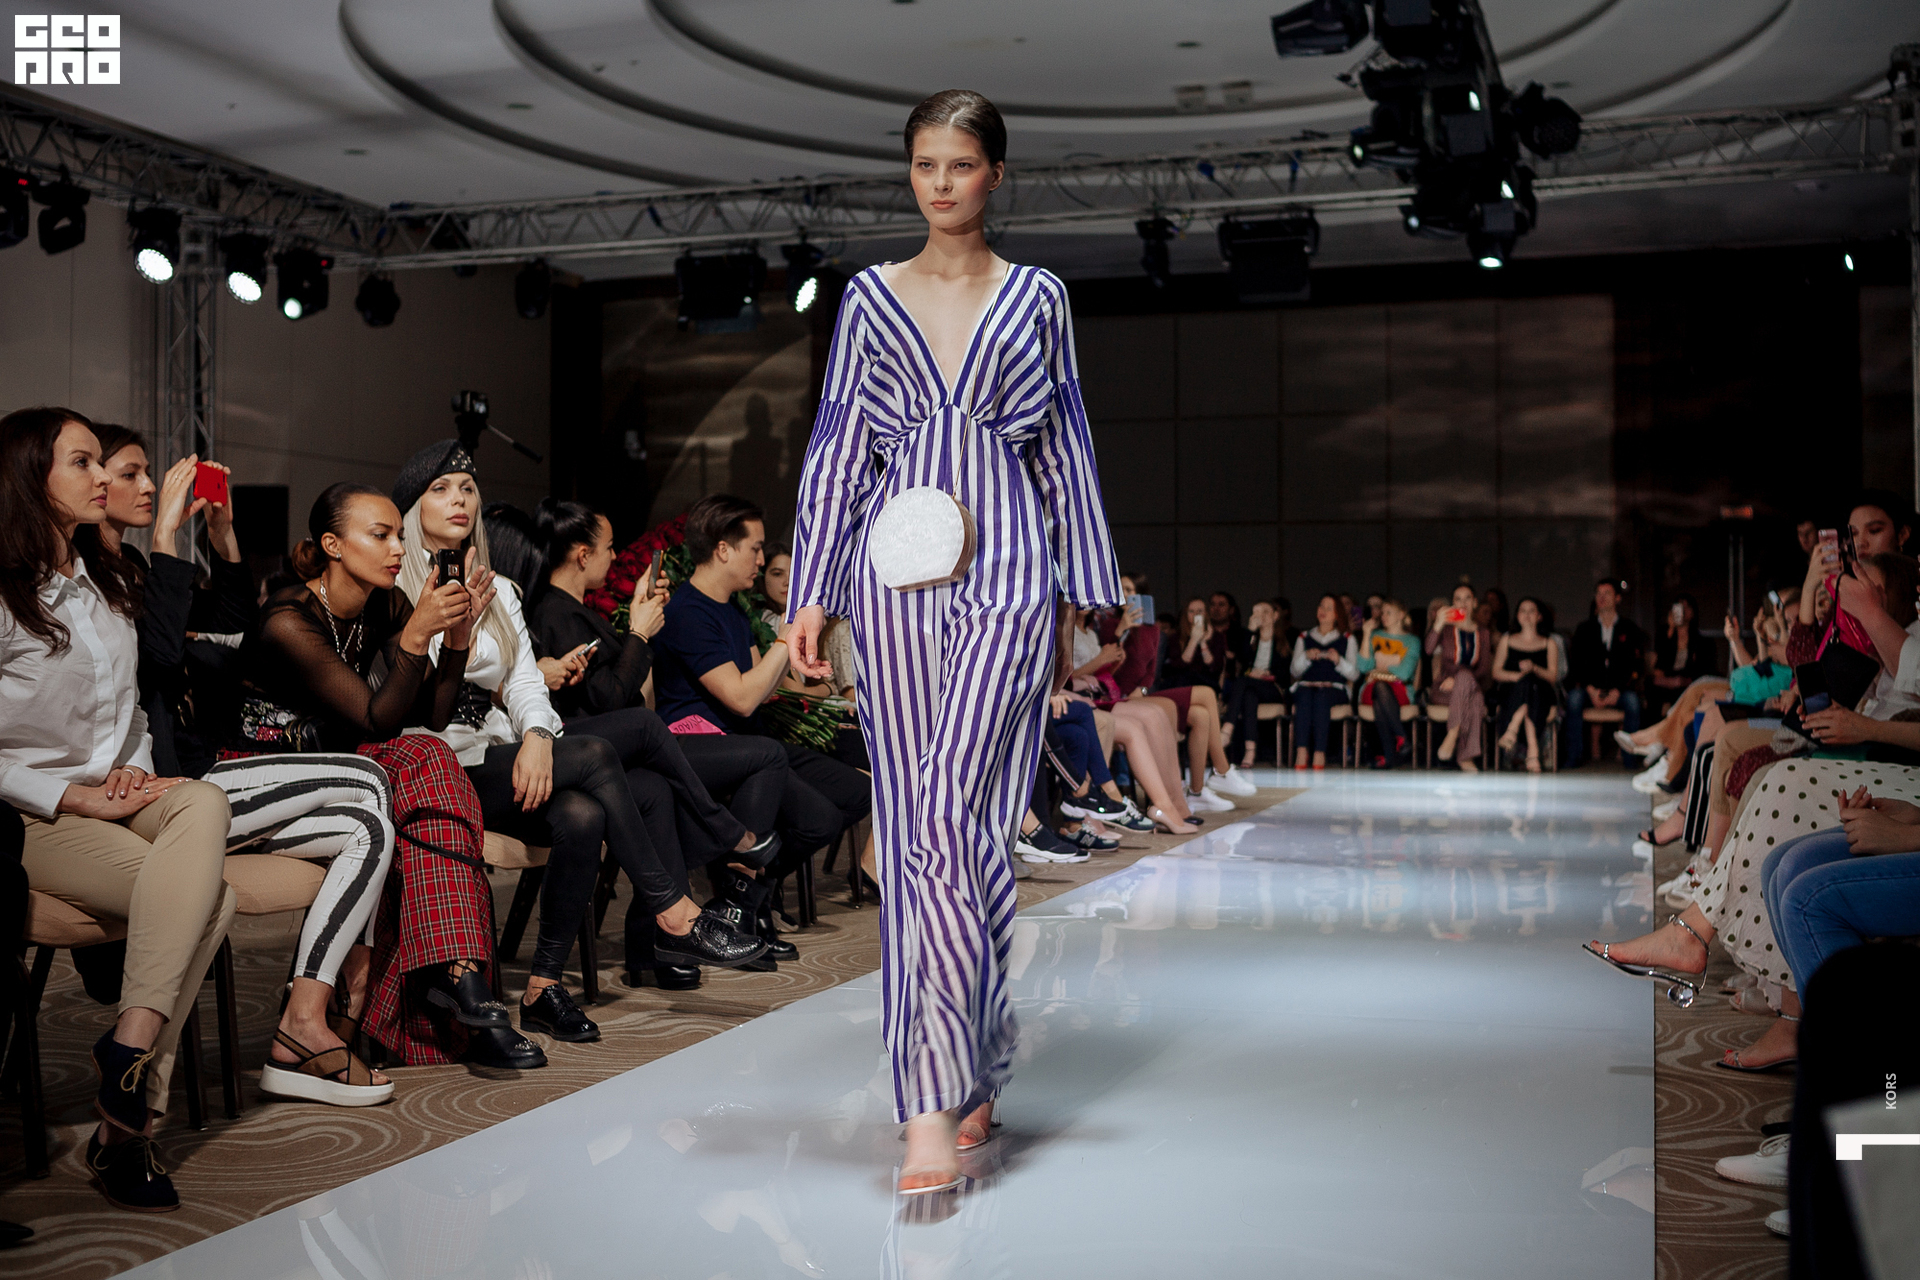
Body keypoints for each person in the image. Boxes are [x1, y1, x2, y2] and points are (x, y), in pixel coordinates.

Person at [786, 89, 1122, 1196]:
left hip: (1012, 576)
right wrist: (812, 591)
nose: (941, 182)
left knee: (937, 819)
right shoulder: (869, 299)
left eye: (962, 163)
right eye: (925, 163)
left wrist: (1088, 588)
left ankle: (926, 1104)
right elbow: (839, 445)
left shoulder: (1038, 296)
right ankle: (974, 1052)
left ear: (996, 174)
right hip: (892, 586)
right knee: (951, 833)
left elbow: (1065, 440)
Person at [390, 443, 768, 1037]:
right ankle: (675, 910)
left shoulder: (500, 590)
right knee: (596, 752)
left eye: (467, 488)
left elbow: (523, 683)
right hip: (437, 764)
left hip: (500, 751)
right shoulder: (397, 588)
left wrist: (539, 735)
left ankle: (543, 988)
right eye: (440, 489)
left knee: (584, 815)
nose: (459, 499)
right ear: (413, 506)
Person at [89, 423, 395, 1106]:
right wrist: (166, 538)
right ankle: (345, 1000)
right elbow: (161, 655)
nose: (149, 485)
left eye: (148, 473)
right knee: (370, 776)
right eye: (131, 473)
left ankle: (305, 1020)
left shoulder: (133, 567)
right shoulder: (100, 577)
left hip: (200, 774)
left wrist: (221, 540)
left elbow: (227, 635)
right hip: (168, 785)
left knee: (368, 827)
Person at [0, 407, 235, 1213]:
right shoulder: (6, 593)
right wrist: (72, 796)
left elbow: (132, 710)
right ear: (29, 477)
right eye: (84, 462)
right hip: (33, 815)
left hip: (118, 795)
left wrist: (134, 772)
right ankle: (125, 1132)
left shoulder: (104, 582)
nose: (103, 476)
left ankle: (126, 1045)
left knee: (202, 798)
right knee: (213, 899)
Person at [235, 482, 543, 1070]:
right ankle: (458, 985)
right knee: (426, 759)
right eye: (380, 536)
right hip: (266, 778)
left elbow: (432, 713)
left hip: (347, 767)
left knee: (428, 773)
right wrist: (419, 635)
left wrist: (456, 641)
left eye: (399, 535)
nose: (399, 548)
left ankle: (454, 981)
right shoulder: (287, 620)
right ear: (333, 545)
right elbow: (377, 718)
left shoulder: (384, 603)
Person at [516, 498, 793, 983]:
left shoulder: (577, 611)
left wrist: (639, 623)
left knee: (656, 788)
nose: (614, 556)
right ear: (583, 555)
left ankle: (656, 944)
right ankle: (727, 841)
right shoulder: (554, 613)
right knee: (655, 736)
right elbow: (609, 700)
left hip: (611, 750)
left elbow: (627, 694)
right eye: (609, 548)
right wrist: (639, 635)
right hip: (577, 750)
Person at [651, 495, 873, 950]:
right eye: (754, 548)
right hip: (706, 748)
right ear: (722, 549)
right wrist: (786, 637)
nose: (760, 559)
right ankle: (742, 907)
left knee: (856, 792)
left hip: (751, 741)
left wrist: (801, 663)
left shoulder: (733, 609)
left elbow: (762, 686)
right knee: (815, 815)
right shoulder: (687, 612)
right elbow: (742, 698)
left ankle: (749, 894)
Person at [1563, 578, 1646, 767]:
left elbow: (1635, 665)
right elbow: (1576, 664)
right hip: (1590, 688)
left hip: (1619, 689)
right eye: (1598, 594)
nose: (1602, 598)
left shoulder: (1629, 628)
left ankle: (1629, 759)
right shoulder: (1584, 628)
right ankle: (1573, 757)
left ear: (1617, 598)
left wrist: (1618, 690)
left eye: (1607, 593)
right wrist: (1590, 689)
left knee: (1633, 703)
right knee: (1574, 699)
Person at [1428, 583, 1493, 772]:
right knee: (1476, 700)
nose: (1463, 603)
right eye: (1458, 599)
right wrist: (1438, 624)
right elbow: (1428, 649)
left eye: (1467, 598)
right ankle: (1465, 756)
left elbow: (1483, 669)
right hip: (1444, 689)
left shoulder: (1483, 633)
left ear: (1475, 603)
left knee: (1468, 682)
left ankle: (1453, 735)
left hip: (1469, 686)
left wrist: (1459, 681)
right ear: (1453, 603)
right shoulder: (1447, 630)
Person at [1290, 594, 1357, 771]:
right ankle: (1302, 750)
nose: (1323, 611)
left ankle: (1320, 751)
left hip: (1334, 689)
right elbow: (1294, 671)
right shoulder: (1304, 637)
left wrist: (1338, 661)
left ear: (1337, 614)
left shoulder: (1347, 638)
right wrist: (1306, 657)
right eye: (1321, 606)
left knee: (1321, 697)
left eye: (1329, 608)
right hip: (1307, 686)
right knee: (1304, 696)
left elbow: (1354, 674)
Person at [1492, 597, 1559, 772]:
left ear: (1539, 616)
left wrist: (1534, 668)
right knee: (1526, 682)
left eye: (1531, 611)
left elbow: (1552, 676)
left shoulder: (1549, 643)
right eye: (1522, 610)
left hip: (1541, 693)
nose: (1527, 615)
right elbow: (1496, 672)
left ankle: (1513, 728)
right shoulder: (1507, 640)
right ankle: (1533, 751)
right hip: (1512, 691)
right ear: (1517, 615)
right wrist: (1517, 677)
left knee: (1531, 682)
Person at [1223, 599, 1289, 769]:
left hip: (1272, 688)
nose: (1261, 616)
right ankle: (1250, 750)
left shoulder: (1285, 639)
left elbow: (1287, 673)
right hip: (1251, 686)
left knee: (1243, 682)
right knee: (1249, 696)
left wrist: (1267, 674)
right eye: (1256, 613)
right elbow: (1241, 659)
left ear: (1275, 615)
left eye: (1265, 612)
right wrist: (1250, 631)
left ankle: (1227, 730)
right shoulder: (1250, 638)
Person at [1356, 599, 1420, 769]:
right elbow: (1363, 667)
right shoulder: (1375, 635)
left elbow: (1405, 672)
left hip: (1400, 690)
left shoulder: (1412, 641)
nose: (1383, 616)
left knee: (1380, 695)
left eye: (1388, 612)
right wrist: (1366, 635)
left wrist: (1380, 665)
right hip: (1371, 689)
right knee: (1379, 689)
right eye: (1382, 612)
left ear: (1401, 615)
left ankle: (1389, 755)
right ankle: (1402, 737)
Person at [1651, 594, 1709, 707]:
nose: (1683, 611)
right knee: (1652, 687)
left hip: (1686, 682)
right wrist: (1671, 630)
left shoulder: (1699, 640)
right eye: (1680, 607)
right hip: (1666, 680)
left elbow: (1701, 669)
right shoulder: (1664, 634)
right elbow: (1660, 664)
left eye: (1687, 607)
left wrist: (1683, 681)